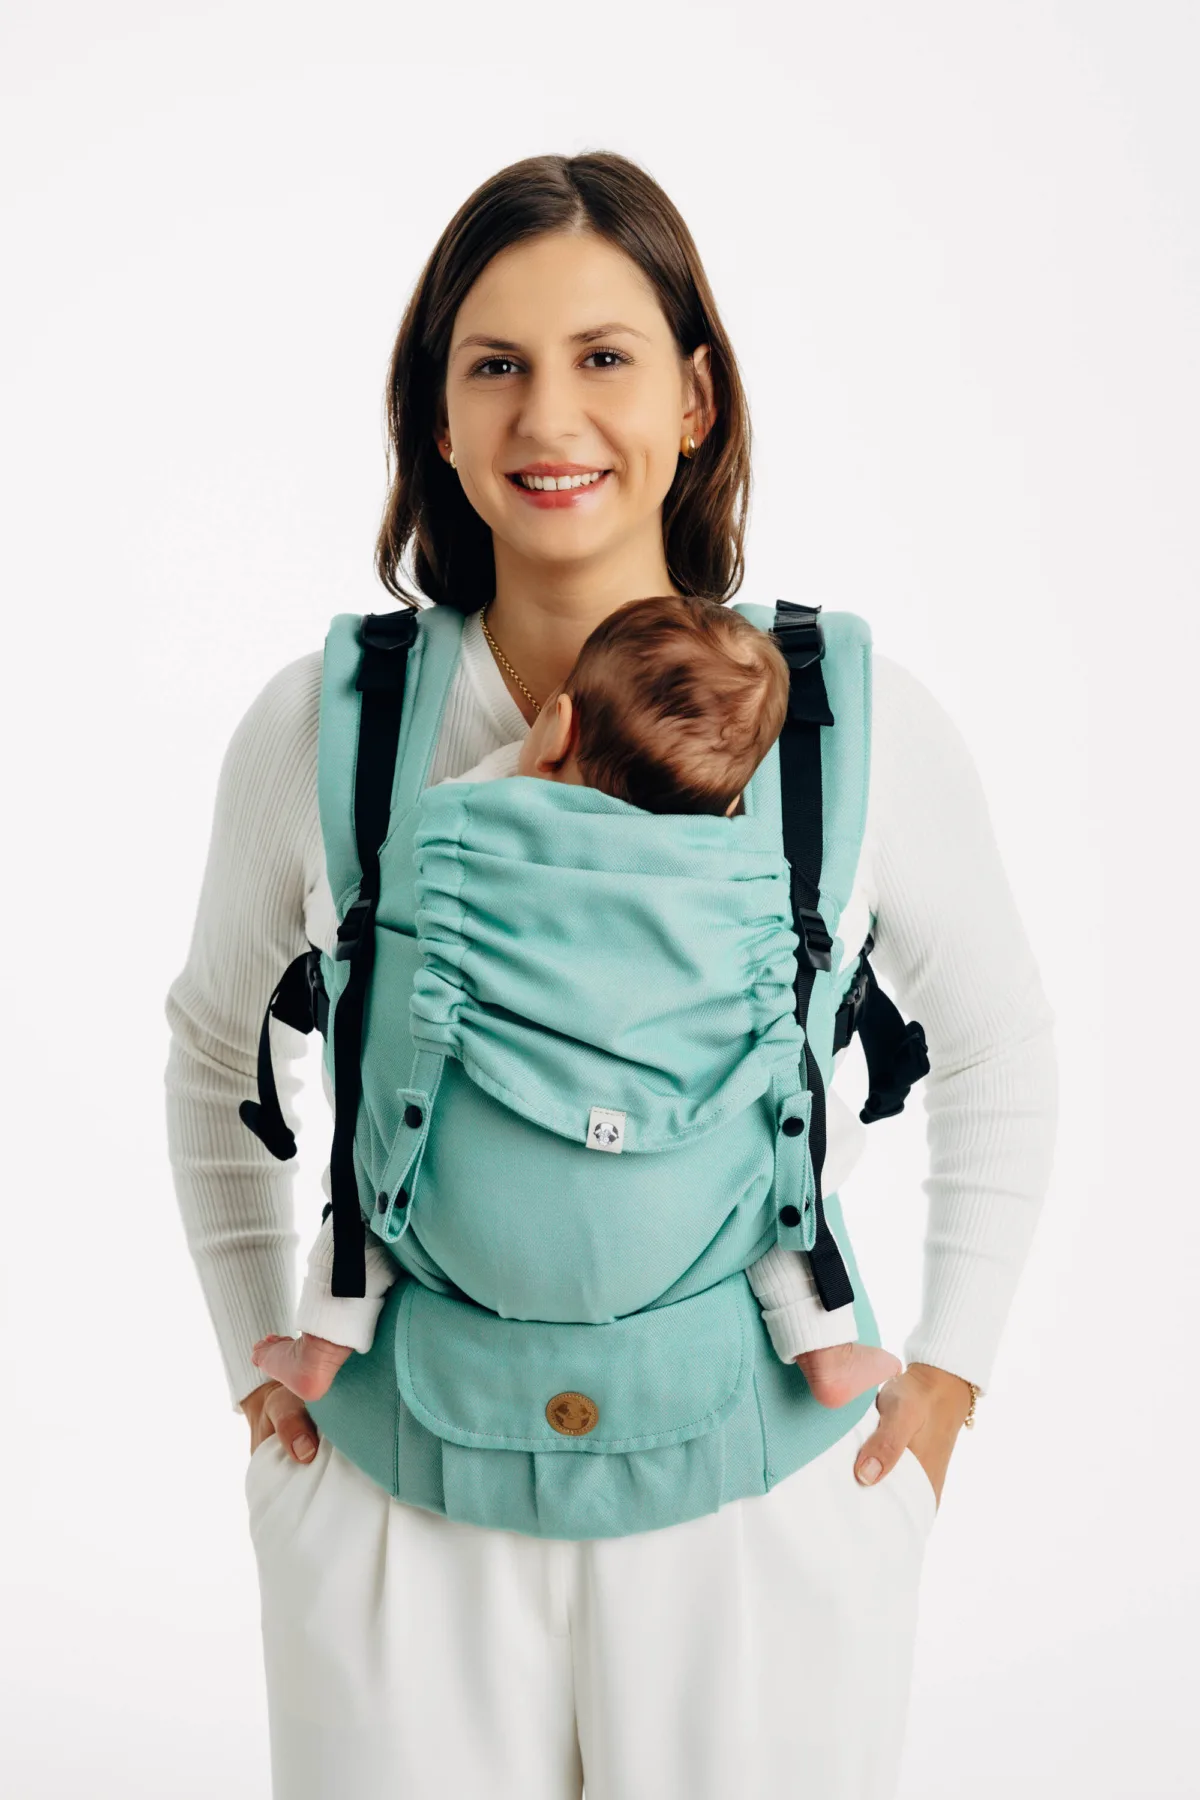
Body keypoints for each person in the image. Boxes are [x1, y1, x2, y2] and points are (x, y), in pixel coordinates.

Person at [163, 150, 1058, 1799]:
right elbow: (216, 1050)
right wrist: (253, 1372)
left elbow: (999, 1039)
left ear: (695, 398)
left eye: (604, 357)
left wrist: (949, 1382)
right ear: (436, 419)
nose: (549, 417)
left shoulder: (837, 718)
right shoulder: (325, 726)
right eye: (495, 365)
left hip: (759, 1508)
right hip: (398, 1508)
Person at [248, 592, 903, 1414]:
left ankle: (323, 1341)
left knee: (371, 1181)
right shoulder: (734, 867)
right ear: (732, 799)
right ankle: (824, 1346)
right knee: (779, 1167)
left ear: (556, 727)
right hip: (683, 1197)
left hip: (456, 1207)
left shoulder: (468, 809)